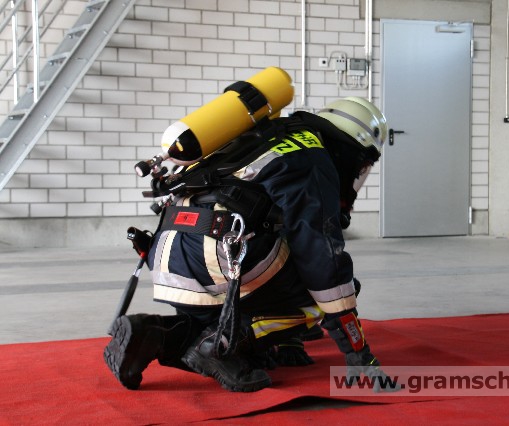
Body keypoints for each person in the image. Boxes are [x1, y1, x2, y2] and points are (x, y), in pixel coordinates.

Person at [104, 96, 398, 393]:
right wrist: (358, 353)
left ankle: (150, 334)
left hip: (169, 256)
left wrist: (287, 343)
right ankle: (219, 347)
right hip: (216, 256)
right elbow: (321, 258)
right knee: (330, 288)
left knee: (224, 324)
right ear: (351, 147)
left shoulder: (271, 135)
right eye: (362, 164)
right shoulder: (313, 159)